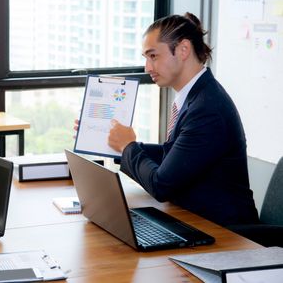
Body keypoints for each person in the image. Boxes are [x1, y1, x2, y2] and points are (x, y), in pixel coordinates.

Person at [106, 12, 259, 227]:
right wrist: (116, 144)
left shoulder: (208, 109)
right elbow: (176, 155)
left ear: (183, 49)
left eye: (153, 56)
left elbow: (161, 185)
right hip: (198, 221)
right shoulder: (194, 96)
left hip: (229, 235)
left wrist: (128, 146)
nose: (147, 68)